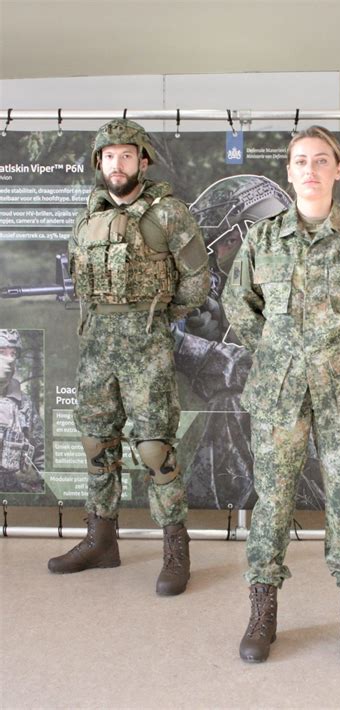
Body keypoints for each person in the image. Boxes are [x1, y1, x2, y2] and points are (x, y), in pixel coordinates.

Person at [222, 126, 340, 663]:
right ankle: (262, 611)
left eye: (321, 160)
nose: (310, 169)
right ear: (289, 170)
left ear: (338, 169)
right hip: (279, 391)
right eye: (300, 160)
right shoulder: (263, 239)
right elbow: (238, 303)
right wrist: (277, 350)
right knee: (273, 501)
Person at [47, 119, 210, 596]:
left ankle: (175, 549)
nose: (117, 164)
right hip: (97, 343)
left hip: (146, 346)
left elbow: (197, 281)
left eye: (126, 155)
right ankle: (101, 539)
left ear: (143, 161)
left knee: (155, 449)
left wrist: (157, 317)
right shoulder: (89, 215)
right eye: (108, 156)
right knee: (96, 442)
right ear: (99, 163)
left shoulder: (168, 213)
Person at [0, 329, 44, 493]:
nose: (10, 359)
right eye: (2, 352)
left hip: (15, 494)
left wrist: (39, 480)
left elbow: (41, 454)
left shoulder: (24, 404)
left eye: (13, 354)